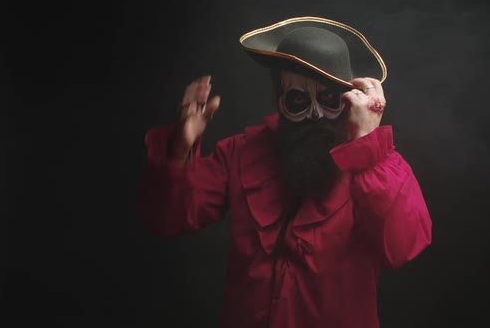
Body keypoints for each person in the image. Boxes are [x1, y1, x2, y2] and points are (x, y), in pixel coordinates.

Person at [136, 16, 432, 328]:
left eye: (329, 98)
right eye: (299, 99)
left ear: (347, 101)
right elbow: (166, 217)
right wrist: (180, 150)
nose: (315, 113)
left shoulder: (376, 164)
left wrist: (368, 147)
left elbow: (403, 245)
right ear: (279, 100)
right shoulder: (240, 153)